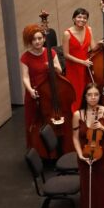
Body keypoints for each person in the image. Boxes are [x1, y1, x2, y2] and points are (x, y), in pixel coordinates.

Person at [72, 82, 104, 208]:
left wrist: (103, 128)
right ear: (84, 97)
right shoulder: (77, 115)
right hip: (86, 153)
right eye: (89, 95)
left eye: (96, 95)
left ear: (100, 96)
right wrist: (80, 155)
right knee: (88, 186)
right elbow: (74, 137)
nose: (93, 98)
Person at [20, 24, 68, 158]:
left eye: (40, 38)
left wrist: (52, 67)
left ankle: (55, 150)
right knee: (34, 123)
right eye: (34, 39)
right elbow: (25, 77)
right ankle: (38, 152)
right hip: (34, 93)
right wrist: (30, 90)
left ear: (43, 39)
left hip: (50, 92)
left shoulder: (51, 52)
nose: (37, 42)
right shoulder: (25, 57)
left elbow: (60, 70)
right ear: (30, 41)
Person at [63, 8, 98, 112]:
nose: (82, 19)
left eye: (84, 18)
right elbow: (66, 55)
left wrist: (101, 43)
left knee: (87, 90)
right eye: (79, 17)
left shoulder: (89, 29)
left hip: (86, 65)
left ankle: (87, 112)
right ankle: (76, 115)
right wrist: (82, 62)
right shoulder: (67, 33)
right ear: (74, 18)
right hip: (74, 67)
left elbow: (93, 47)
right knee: (77, 93)